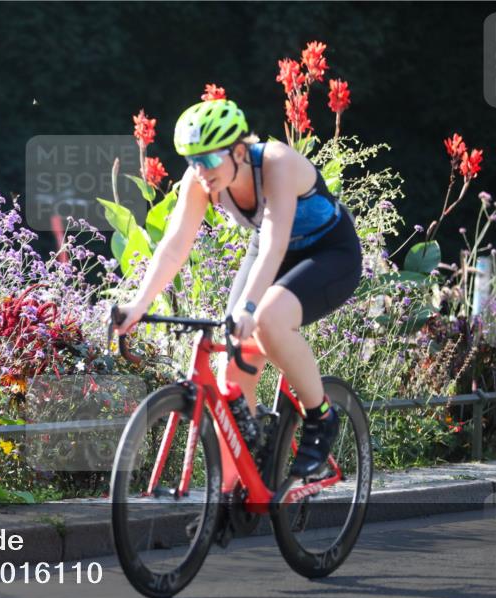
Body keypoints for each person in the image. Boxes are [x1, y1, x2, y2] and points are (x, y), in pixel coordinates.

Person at [110, 98, 362, 478]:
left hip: (329, 252)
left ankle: (320, 418)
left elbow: (275, 244)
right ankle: (238, 484)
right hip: (271, 250)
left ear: (240, 151)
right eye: (193, 160)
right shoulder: (201, 181)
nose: (201, 170)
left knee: (267, 320)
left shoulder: (277, 163)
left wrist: (249, 307)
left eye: (210, 159)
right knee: (232, 365)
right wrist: (139, 304)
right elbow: (175, 246)